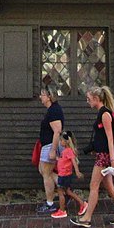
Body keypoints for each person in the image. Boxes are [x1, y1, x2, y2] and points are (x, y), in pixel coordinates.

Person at [69, 86, 114, 227]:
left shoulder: (105, 115)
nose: (87, 101)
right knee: (109, 186)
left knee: (93, 185)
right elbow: (100, 139)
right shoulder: (102, 113)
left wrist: (112, 159)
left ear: (96, 99)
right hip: (103, 154)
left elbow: (109, 138)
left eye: (89, 99)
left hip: (104, 156)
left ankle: (87, 218)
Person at [36, 85, 64, 214]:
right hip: (47, 144)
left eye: (42, 94)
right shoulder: (52, 110)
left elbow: (57, 131)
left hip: (49, 145)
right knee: (43, 170)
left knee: (46, 173)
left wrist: (53, 150)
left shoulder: (54, 111)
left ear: (49, 97)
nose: (40, 97)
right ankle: (65, 188)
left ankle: (50, 203)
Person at [50, 131, 87, 219]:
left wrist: (77, 171)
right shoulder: (65, 151)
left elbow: (73, 161)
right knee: (68, 191)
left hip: (64, 175)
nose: (60, 142)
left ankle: (62, 210)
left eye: (61, 140)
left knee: (60, 192)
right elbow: (64, 161)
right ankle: (82, 203)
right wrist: (58, 159)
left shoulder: (68, 151)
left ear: (66, 141)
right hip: (64, 174)